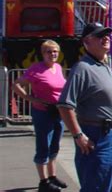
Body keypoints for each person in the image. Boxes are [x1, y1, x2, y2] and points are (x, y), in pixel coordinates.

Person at [57, 23, 112, 192]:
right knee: (94, 184)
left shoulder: (103, 66)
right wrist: (78, 135)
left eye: (107, 34)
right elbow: (65, 105)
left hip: (110, 134)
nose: (106, 38)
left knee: (104, 184)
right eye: (100, 35)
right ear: (87, 42)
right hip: (96, 134)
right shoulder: (82, 68)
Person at [13, 40, 67, 192]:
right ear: (43, 53)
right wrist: (31, 99)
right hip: (43, 113)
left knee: (55, 146)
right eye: (49, 52)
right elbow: (16, 85)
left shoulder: (57, 67)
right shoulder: (36, 69)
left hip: (58, 112)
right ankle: (43, 182)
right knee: (43, 146)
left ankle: (52, 176)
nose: (52, 54)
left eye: (55, 51)